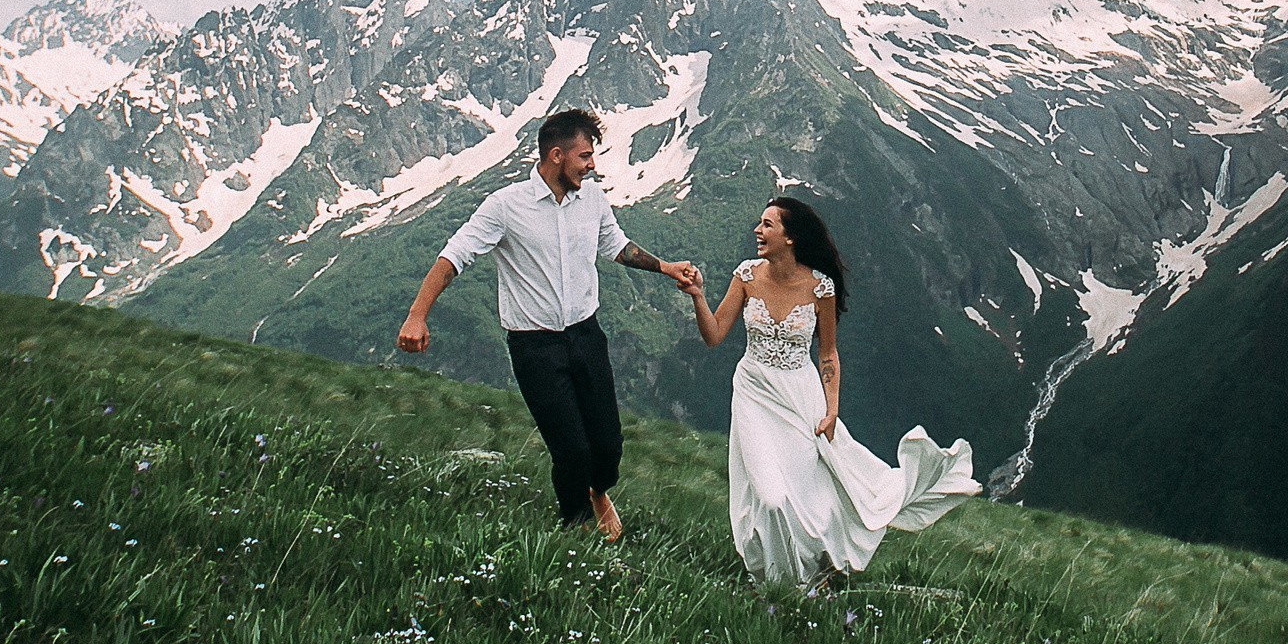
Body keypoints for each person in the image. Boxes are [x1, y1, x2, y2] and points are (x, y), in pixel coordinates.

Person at [397, 108, 696, 540]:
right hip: (535, 347)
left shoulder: (591, 198)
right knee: (570, 450)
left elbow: (616, 246)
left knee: (608, 446)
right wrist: (416, 315)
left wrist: (665, 267)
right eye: (585, 156)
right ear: (556, 155)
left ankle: (598, 489)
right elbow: (453, 257)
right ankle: (574, 530)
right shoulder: (505, 206)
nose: (591, 165)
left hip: (586, 336)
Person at [684, 196, 980, 586]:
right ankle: (775, 581)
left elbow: (827, 355)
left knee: (807, 497)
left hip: (800, 396)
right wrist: (698, 296)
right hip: (754, 392)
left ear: (790, 238)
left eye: (767, 225)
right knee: (771, 498)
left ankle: (804, 579)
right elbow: (714, 335)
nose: (757, 230)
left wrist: (832, 409)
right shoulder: (746, 276)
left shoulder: (820, 288)